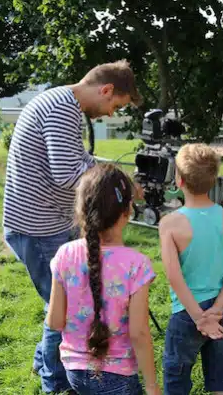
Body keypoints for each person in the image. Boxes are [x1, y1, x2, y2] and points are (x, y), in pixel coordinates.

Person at [2, 60, 143, 393]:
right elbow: (68, 174)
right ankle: (56, 383)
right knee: (62, 310)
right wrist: (120, 181)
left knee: (61, 300)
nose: (110, 113)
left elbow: (77, 163)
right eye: (114, 105)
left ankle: (45, 363)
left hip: (48, 223)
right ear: (106, 89)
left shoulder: (62, 103)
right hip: (37, 229)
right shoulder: (63, 108)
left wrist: (112, 174)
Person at [46, 163, 160, 394]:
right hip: (119, 377)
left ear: (82, 209)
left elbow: (55, 322)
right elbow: (139, 333)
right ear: (128, 210)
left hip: (75, 372)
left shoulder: (65, 255)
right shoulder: (136, 264)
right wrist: (152, 385)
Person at [158, 143, 223, 395]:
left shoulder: (170, 224)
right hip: (221, 312)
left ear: (180, 180)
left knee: (177, 379)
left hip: (187, 314)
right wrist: (216, 310)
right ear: (213, 179)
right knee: (222, 378)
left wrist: (200, 317)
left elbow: (174, 277)